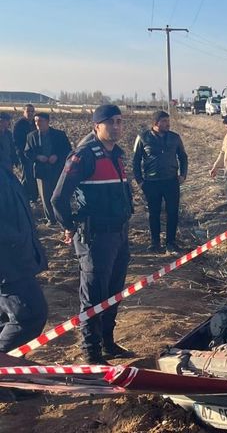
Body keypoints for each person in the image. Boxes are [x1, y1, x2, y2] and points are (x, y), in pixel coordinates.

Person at [51, 104, 134, 364]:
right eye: (111, 122)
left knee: (113, 292)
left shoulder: (117, 155)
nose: (117, 126)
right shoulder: (83, 155)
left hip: (119, 234)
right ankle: (92, 352)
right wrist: (69, 226)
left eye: (120, 121)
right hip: (95, 237)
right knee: (94, 295)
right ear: (96, 126)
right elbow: (58, 198)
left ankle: (108, 342)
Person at [0, 166, 48, 354]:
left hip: (16, 257)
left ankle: (8, 376)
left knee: (7, 319)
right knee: (29, 316)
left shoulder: (4, 164)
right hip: (8, 263)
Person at [132, 110, 189, 253]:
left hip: (171, 181)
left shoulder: (175, 138)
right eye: (164, 121)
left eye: (168, 121)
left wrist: (183, 174)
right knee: (153, 213)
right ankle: (155, 242)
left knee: (172, 212)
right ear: (155, 123)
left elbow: (183, 157)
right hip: (151, 182)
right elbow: (135, 161)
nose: (167, 124)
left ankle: (171, 242)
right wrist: (139, 181)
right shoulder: (143, 138)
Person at [24, 113, 72, 225]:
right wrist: (37, 156)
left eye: (40, 121)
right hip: (41, 170)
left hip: (57, 169)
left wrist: (57, 156)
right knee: (45, 197)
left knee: (58, 195)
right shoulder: (31, 136)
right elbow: (27, 152)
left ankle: (62, 218)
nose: (38, 123)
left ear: (47, 121)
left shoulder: (59, 135)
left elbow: (67, 150)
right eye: (36, 121)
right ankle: (51, 219)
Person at [12, 104, 37, 203]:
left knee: (34, 177)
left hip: (34, 155)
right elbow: (17, 142)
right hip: (24, 155)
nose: (30, 113)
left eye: (32, 111)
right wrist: (21, 155)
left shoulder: (35, 123)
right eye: (28, 111)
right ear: (24, 112)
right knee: (27, 177)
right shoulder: (19, 125)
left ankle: (33, 197)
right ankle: (26, 198)